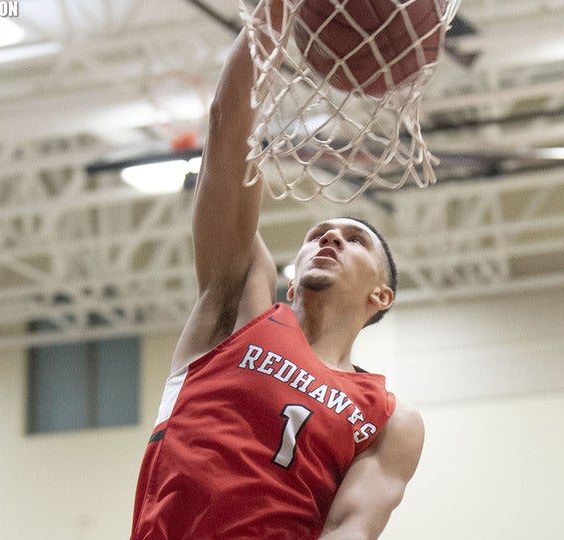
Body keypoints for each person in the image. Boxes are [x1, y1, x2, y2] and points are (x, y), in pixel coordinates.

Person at [130, 2, 424, 538]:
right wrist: (271, 15)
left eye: (354, 239)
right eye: (317, 235)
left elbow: (350, 530)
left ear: (382, 296)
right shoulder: (242, 304)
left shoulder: (388, 418)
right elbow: (227, 130)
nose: (329, 236)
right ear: (290, 280)